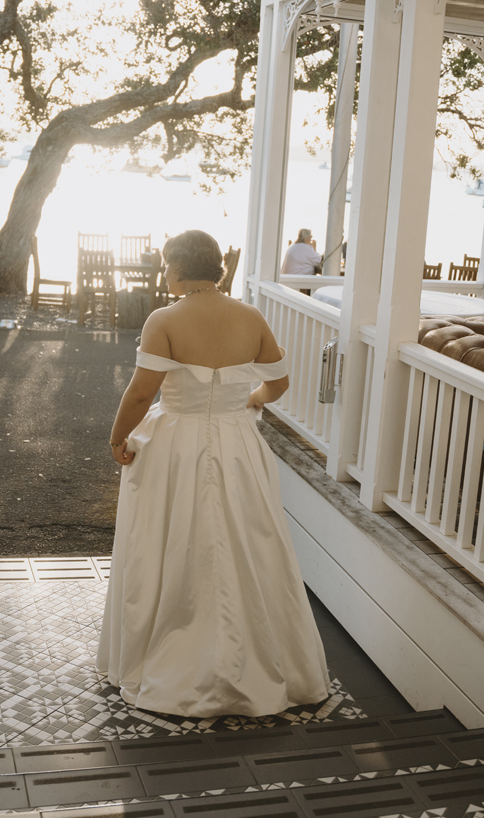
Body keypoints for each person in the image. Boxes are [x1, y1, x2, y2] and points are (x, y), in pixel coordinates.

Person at [99, 229, 331, 717]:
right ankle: (261, 661)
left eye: (167, 266)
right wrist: (248, 401)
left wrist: (118, 436)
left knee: (173, 541)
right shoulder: (250, 316)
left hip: (177, 446)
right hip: (237, 444)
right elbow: (279, 383)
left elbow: (143, 393)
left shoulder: (164, 318)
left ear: (180, 269)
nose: (165, 274)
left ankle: (174, 656)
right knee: (249, 544)